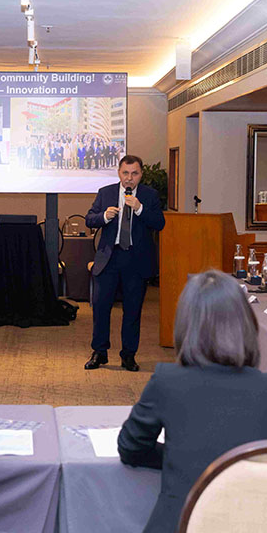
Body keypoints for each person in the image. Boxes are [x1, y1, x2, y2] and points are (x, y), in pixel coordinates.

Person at [117, 270, 267, 533]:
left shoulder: (167, 380)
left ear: (186, 326)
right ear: (246, 325)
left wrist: (179, 456)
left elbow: (130, 447)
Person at [84, 155, 166, 372]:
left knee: (132, 311)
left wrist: (139, 209)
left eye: (134, 173)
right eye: (125, 173)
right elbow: (89, 219)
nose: (129, 178)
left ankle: (128, 355)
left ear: (141, 174)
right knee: (101, 308)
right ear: (119, 173)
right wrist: (104, 216)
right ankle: (99, 352)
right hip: (109, 259)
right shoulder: (106, 193)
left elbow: (160, 223)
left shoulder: (149, 195)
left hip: (135, 260)